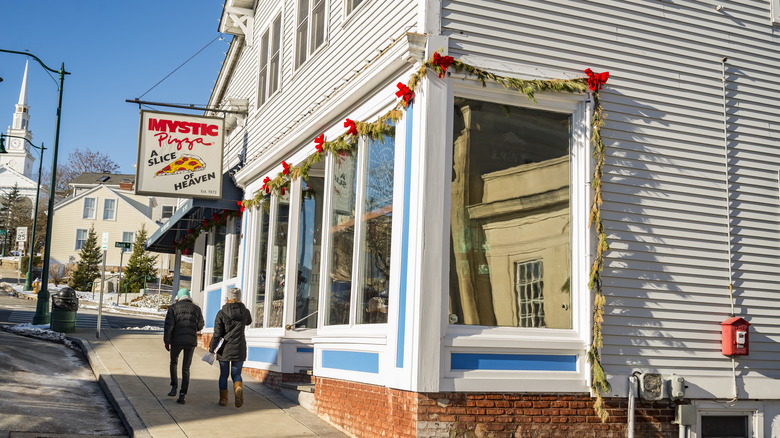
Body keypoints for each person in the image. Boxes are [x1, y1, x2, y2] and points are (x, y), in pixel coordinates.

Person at [209, 287, 252, 407]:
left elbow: (217, 334)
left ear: (228, 297)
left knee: (224, 374)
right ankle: (238, 388)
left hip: (224, 348)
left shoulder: (221, 313)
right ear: (239, 297)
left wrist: (212, 349)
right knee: (236, 374)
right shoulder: (245, 312)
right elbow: (249, 321)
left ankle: (223, 400)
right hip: (240, 347)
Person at [163, 288, 204, 404]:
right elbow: (200, 326)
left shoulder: (173, 308)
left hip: (176, 341)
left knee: (173, 363)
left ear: (179, 297)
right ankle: (182, 394)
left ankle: (173, 387)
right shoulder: (197, 309)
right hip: (190, 341)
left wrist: (167, 341)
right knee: (186, 368)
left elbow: (168, 326)